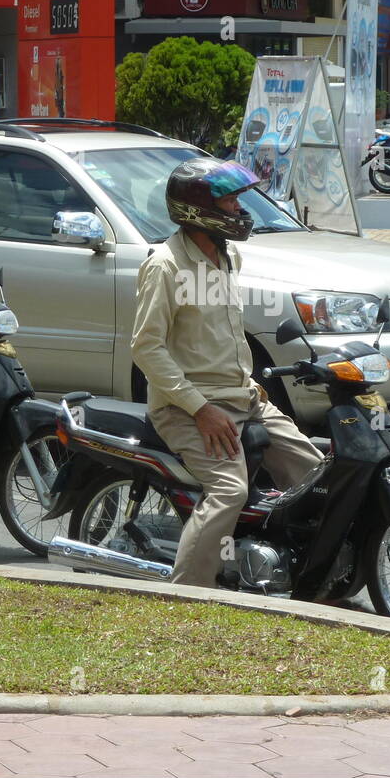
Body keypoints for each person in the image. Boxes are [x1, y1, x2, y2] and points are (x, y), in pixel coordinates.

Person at [131, 159, 324, 588]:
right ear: (199, 210)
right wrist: (200, 409)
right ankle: (188, 596)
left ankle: (289, 573)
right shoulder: (164, 265)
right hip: (188, 409)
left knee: (316, 474)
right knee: (228, 492)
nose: (240, 209)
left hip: (243, 398)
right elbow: (146, 347)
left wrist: (250, 383)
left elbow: (220, 332)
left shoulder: (226, 255)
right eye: (231, 200)